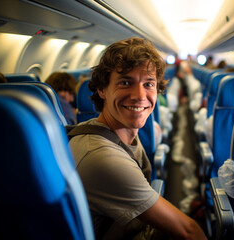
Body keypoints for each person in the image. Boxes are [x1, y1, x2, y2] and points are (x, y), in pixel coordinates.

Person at [69, 37, 207, 240]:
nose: (140, 95)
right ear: (102, 89)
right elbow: (189, 231)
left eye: (148, 84)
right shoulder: (102, 157)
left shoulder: (114, 131)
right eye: (125, 82)